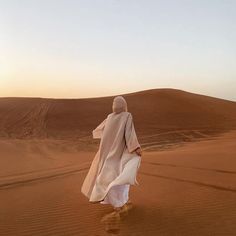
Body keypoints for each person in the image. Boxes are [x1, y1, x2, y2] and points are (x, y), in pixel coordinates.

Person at [81, 96, 142, 212]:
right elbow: (129, 134)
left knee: (108, 177)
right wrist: (136, 148)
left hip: (106, 152)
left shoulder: (109, 117)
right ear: (124, 105)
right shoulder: (127, 116)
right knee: (121, 176)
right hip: (119, 152)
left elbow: (99, 131)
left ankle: (118, 201)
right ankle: (119, 204)